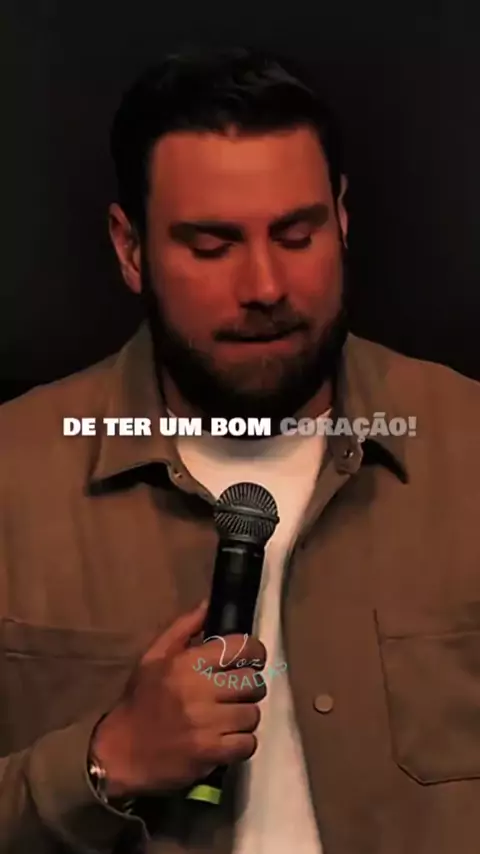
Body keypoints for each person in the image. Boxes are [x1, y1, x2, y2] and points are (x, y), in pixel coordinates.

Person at [0, 44, 479, 854]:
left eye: (297, 234)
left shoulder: (467, 446)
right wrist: (104, 760)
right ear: (130, 249)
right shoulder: (13, 478)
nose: (264, 287)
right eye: (211, 245)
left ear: (343, 218)